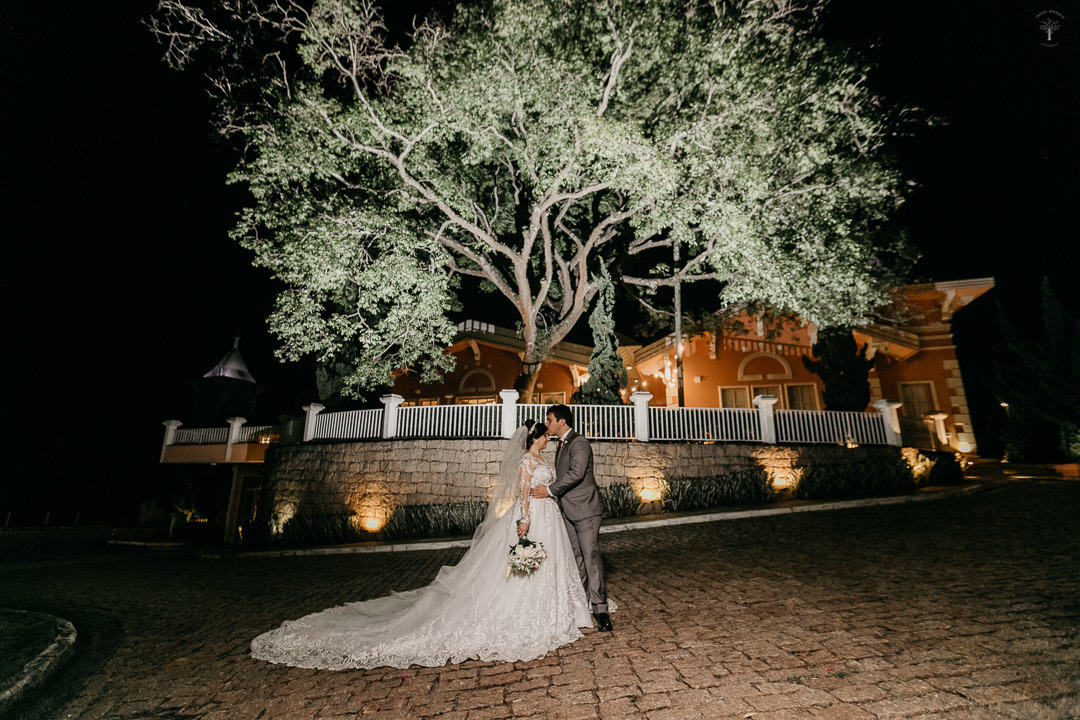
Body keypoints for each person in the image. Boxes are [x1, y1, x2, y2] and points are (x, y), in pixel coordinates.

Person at [249, 420, 594, 670]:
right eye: (545, 436)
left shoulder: (543, 460)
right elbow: (523, 494)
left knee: (550, 563)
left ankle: (556, 607)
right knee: (523, 565)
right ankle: (526, 612)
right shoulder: (526, 462)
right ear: (535, 438)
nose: (548, 439)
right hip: (532, 517)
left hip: (550, 517)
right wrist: (524, 520)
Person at [530, 404, 612, 632]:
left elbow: (577, 473)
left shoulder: (579, 442)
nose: (546, 424)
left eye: (549, 420)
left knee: (590, 556)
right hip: (567, 510)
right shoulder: (562, 444)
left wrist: (549, 490)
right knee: (576, 559)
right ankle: (580, 604)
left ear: (562, 421)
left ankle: (601, 610)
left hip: (585, 509)